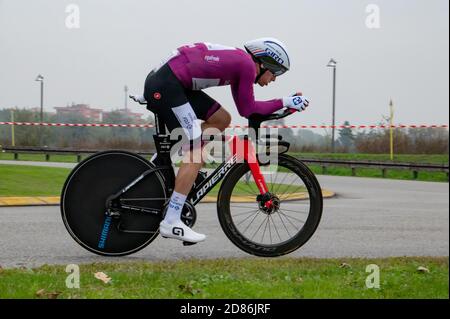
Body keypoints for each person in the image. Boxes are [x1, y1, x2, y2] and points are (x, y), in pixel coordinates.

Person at [139, 37, 309, 244]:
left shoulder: (241, 63)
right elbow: (251, 109)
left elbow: (246, 109)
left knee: (221, 119)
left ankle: (163, 161)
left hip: (169, 81)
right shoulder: (246, 65)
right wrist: (285, 101)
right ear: (265, 63)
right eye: (277, 72)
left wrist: (282, 104)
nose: (274, 79)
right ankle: (171, 220)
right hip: (167, 85)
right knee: (196, 153)